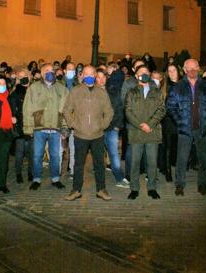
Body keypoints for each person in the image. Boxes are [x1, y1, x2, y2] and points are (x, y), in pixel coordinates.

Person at [63, 65, 114, 201]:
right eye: (87, 74)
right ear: (82, 75)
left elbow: (109, 112)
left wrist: (102, 125)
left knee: (99, 164)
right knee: (78, 164)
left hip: (98, 135)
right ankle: (76, 190)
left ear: (95, 75)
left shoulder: (102, 93)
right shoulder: (75, 91)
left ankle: (101, 189)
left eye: (92, 73)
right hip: (80, 135)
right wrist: (73, 125)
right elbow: (67, 110)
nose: (90, 76)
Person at [166, 58, 206, 196]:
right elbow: (170, 107)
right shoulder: (177, 87)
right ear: (185, 70)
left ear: (199, 68)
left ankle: (202, 184)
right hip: (185, 129)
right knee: (182, 159)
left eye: (195, 68)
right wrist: (180, 121)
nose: (192, 71)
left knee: (203, 159)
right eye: (189, 68)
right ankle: (180, 185)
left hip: (202, 129)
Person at [23, 63, 68, 190]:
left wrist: (64, 127)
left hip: (55, 127)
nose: (50, 73)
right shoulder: (33, 88)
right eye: (47, 71)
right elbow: (27, 108)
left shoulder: (62, 89)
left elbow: (66, 109)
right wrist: (28, 127)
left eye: (52, 71)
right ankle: (36, 179)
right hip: (39, 128)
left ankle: (55, 178)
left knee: (55, 155)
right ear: (42, 74)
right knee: (37, 155)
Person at [125, 65, 165, 200]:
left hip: (152, 132)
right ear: (136, 76)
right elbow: (128, 111)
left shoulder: (157, 92)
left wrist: (150, 124)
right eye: (141, 73)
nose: (144, 74)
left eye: (146, 72)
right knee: (135, 162)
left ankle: (152, 188)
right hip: (137, 132)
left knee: (152, 162)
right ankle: (134, 188)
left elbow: (161, 110)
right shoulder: (131, 92)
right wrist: (141, 125)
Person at [97, 69, 128, 187]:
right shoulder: (91, 91)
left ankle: (119, 178)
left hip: (111, 128)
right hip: (96, 129)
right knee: (98, 155)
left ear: (107, 78)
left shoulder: (113, 91)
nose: (101, 80)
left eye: (103, 77)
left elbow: (119, 109)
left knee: (114, 154)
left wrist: (117, 126)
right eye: (98, 77)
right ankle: (99, 182)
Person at [10, 69, 33, 183]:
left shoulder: (33, 90)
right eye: (21, 76)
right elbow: (13, 111)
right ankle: (18, 173)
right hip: (20, 126)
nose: (24, 78)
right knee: (19, 153)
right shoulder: (15, 93)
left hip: (32, 126)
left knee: (31, 152)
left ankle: (30, 172)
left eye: (26, 76)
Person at [160, 63, 181, 182]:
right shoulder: (165, 86)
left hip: (181, 120)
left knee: (178, 147)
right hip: (168, 121)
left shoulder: (183, 84)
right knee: (167, 147)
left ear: (178, 71)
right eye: (169, 70)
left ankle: (178, 168)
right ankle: (168, 172)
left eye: (174, 70)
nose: (172, 72)